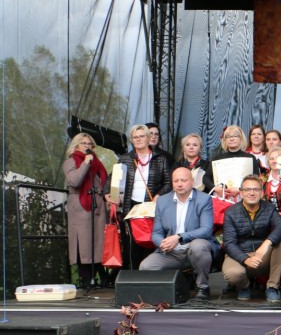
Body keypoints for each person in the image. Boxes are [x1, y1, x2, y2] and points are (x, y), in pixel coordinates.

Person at [139, 167, 219, 300]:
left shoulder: (204, 199)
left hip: (194, 249)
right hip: (171, 252)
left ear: (192, 181)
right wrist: (163, 244)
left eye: (183, 180)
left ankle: (203, 287)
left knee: (198, 246)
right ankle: (167, 291)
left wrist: (179, 237)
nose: (179, 184)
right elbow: (157, 232)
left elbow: (206, 229)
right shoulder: (163, 201)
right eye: (176, 181)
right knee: (146, 266)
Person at [106, 124, 173, 269]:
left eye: (142, 136)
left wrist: (158, 196)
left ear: (148, 138)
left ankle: (151, 274)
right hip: (130, 206)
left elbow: (169, 183)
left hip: (152, 206)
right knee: (132, 243)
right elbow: (111, 179)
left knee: (152, 240)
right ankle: (132, 275)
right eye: (135, 137)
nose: (138, 139)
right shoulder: (125, 159)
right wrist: (108, 194)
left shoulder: (160, 159)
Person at [222, 174, 281, 302]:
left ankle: (272, 287)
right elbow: (229, 243)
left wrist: (265, 244)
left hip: (262, 255)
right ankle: (245, 287)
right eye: (247, 190)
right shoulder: (230, 212)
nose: (252, 193)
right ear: (241, 193)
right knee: (233, 274)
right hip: (240, 254)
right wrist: (245, 259)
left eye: (256, 189)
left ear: (261, 193)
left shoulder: (269, 208)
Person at [63, 133, 108, 289]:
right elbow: (74, 180)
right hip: (80, 206)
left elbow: (104, 181)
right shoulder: (70, 161)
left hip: (97, 205)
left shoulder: (97, 163)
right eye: (84, 143)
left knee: (97, 242)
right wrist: (85, 164)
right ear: (76, 146)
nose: (88, 146)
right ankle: (86, 279)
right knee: (82, 242)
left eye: (90, 144)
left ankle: (101, 277)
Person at [210, 125, 262, 200]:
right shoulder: (217, 158)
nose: (232, 139)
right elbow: (206, 178)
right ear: (224, 140)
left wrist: (241, 189)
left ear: (241, 139)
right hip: (222, 198)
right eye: (228, 137)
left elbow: (256, 179)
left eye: (235, 136)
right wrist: (215, 188)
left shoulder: (250, 158)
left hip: (243, 197)